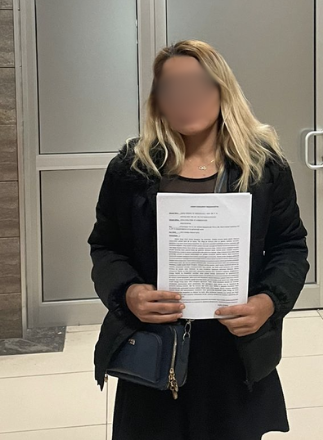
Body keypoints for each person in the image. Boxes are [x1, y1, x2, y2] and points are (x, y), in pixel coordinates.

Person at [89, 39, 310, 440]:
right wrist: (128, 293)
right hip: (153, 352)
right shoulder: (131, 169)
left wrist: (268, 302)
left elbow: (289, 248)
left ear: (222, 90)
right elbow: (106, 248)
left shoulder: (263, 168)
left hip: (234, 353)